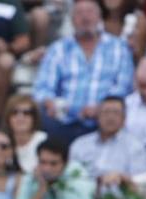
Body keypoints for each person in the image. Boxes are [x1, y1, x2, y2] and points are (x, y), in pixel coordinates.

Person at [32, 0, 134, 143]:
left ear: (99, 18)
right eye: (79, 13)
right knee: (40, 116)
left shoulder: (118, 48)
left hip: (103, 120)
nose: (85, 17)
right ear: (72, 20)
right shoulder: (58, 49)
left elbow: (124, 87)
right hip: (63, 121)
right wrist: (49, 102)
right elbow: (42, 88)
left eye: (90, 12)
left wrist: (101, 108)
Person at [68, 94, 146, 182]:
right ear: (98, 117)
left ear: (124, 119)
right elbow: (69, 177)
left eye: (116, 113)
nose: (110, 117)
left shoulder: (136, 147)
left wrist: (123, 178)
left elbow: (143, 181)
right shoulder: (80, 144)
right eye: (106, 112)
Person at [3, 91, 49, 173]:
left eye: (26, 113)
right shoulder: (1, 142)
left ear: (34, 118)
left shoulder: (44, 141)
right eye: (14, 112)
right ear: (8, 117)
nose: (20, 117)